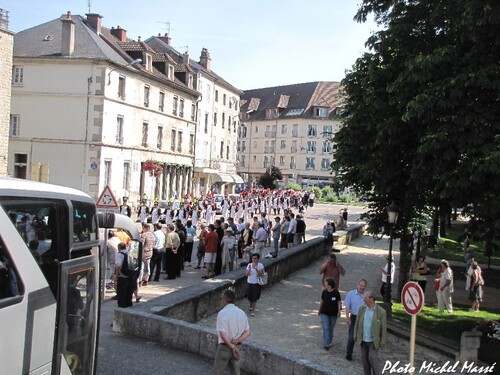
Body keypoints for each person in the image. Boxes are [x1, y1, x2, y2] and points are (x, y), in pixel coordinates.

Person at [214, 289, 251, 375]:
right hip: (238, 347)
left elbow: (222, 335)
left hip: (225, 347)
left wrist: (231, 346)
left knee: (218, 372)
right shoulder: (241, 313)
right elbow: (247, 332)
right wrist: (236, 341)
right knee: (235, 372)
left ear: (224, 299)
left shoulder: (222, 313)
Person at [354, 291, 387, 375]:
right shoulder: (362, 309)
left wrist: (382, 341)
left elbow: (383, 328)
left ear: (371, 299)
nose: (364, 299)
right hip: (363, 339)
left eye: (366, 298)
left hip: (373, 340)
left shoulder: (381, 312)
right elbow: (357, 323)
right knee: (365, 360)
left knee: (373, 358)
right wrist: (355, 335)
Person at [344, 278, 368, 361]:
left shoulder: (367, 295)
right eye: (361, 285)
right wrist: (347, 317)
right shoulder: (351, 293)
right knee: (351, 337)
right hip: (354, 317)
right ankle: (349, 353)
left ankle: (365, 356)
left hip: (364, 318)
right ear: (358, 285)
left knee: (364, 338)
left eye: (364, 286)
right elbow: (347, 306)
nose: (362, 287)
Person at [318, 277, 342, 350]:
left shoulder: (336, 293)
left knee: (331, 328)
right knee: (325, 327)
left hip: (333, 313)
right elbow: (321, 301)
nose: (324, 284)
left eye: (326, 283)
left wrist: (339, 311)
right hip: (324, 312)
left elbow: (339, 302)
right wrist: (319, 310)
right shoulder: (324, 292)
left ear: (330, 285)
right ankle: (326, 343)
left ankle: (329, 341)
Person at [115, 242, 133, 307]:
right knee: (129, 291)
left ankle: (122, 305)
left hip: (122, 276)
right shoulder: (129, 253)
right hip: (130, 274)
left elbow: (118, 266)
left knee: (121, 291)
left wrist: (117, 275)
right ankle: (129, 303)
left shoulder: (119, 255)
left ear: (119, 248)